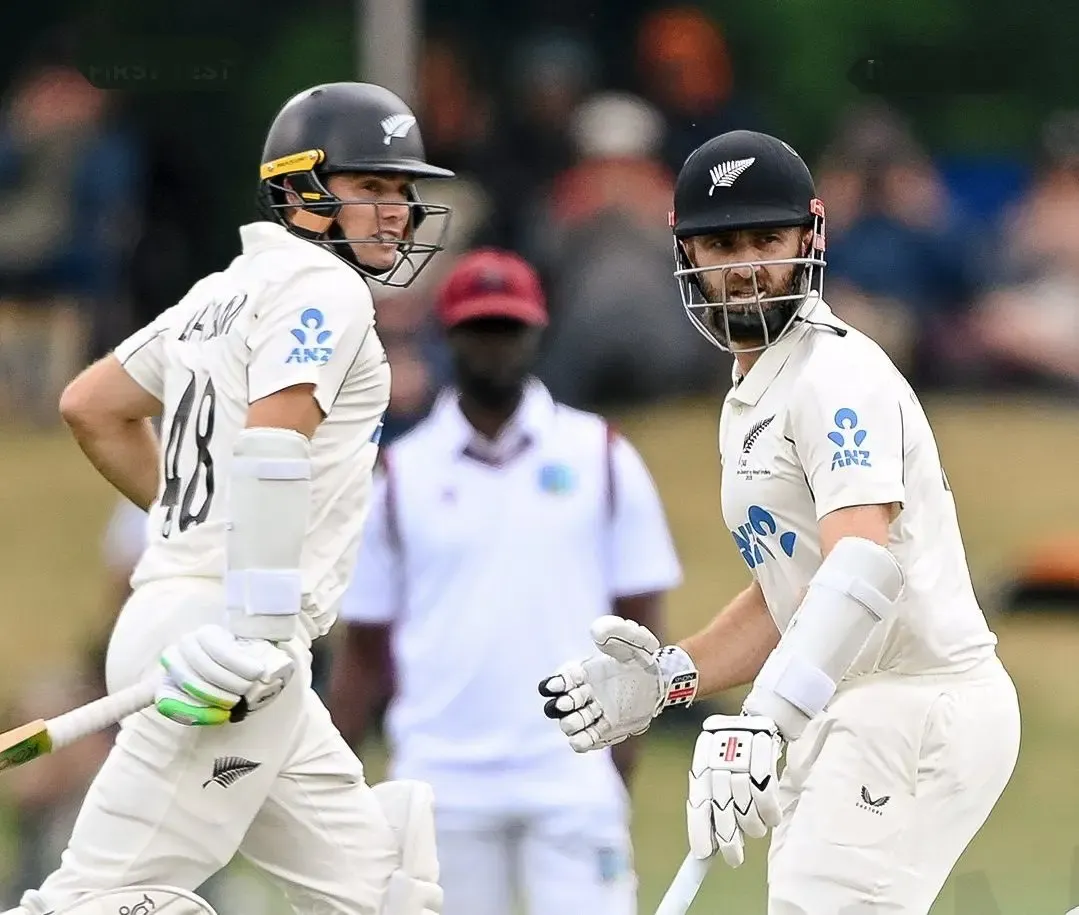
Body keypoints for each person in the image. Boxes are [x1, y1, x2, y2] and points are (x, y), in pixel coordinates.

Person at [538, 130, 1021, 914]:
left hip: (914, 698)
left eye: (765, 239)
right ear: (685, 252)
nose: (744, 267)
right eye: (721, 244)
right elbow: (790, 593)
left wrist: (763, 716)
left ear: (809, 237)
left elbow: (858, 564)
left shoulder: (835, 373)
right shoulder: (754, 391)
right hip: (845, 703)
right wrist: (667, 676)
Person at [5, 82, 455, 915]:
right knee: (98, 898)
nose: (396, 210)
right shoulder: (326, 287)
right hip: (232, 642)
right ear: (299, 189)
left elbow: (92, 405)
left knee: (381, 893)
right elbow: (274, 444)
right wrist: (253, 619)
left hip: (201, 626)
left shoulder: (220, 291)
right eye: (370, 186)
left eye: (401, 189)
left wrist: (202, 537)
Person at [329, 248, 683, 915]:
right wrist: (332, 780)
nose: (493, 346)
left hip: (572, 770)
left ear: (536, 332)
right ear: (447, 335)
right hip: (439, 778)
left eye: (508, 328)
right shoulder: (400, 474)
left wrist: (621, 753)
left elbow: (642, 627)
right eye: (478, 329)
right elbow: (364, 648)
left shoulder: (600, 454)